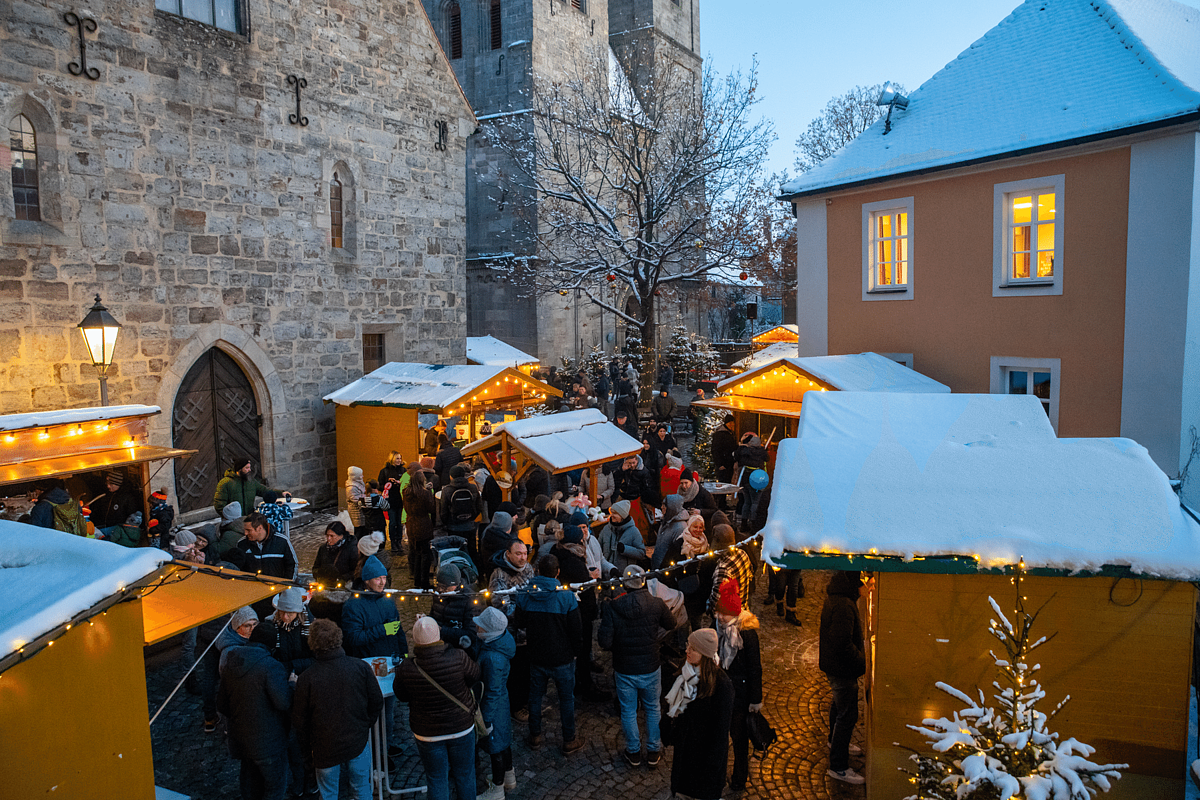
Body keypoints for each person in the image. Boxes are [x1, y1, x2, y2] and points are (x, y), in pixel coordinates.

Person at [292, 619, 383, 800]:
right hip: (357, 742)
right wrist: (364, 724)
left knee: (328, 794)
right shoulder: (360, 667)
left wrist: (307, 754)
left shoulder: (307, 679)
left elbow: (300, 722)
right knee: (361, 789)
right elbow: (376, 702)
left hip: (324, 749)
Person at [393, 616, 481, 800]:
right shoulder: (459, 657)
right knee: (465, 775)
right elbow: (474, 676)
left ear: (415, 639)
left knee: (436, 778)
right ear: (439, 635)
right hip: (461, 727)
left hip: (427, 733)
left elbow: (401, 695)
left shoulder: (406, 667)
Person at [598, 565, 677, 768]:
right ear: (643, 581)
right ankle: (653, 750)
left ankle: (633, 751)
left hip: (624, 668)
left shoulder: (613, 607)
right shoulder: (656, 604)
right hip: (650, 665)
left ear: (625, 584)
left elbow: (604, 642)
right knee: (653, 708)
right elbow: (671, 623)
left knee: (628, 710)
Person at [515, 555, 584, 754]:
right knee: (566, 700)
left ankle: (535, 736)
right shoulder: (567, 597)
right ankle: (569, 739)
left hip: (536, 656)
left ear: (537, 571)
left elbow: (519, 623)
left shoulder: (525, 594)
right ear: (558, 572)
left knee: (535, 698)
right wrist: (576, 652)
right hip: (562, 657)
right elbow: (576, 630)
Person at [217, 621, 293, 800]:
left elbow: (222, 704)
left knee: (250, 788)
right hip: (268, 744)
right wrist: (291, 684)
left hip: (241, 741)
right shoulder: (270, 666)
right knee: (274, 789)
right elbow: (283, 702)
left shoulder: (232, 659)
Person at [665, 629, 734, 800]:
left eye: (693, 648)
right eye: (688, 645)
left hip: (705, 761)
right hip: (686, 755)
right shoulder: (685, 671)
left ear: (705, 654)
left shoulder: (722, 686)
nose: (687, 650)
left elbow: (720, 734)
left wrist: (713, 768)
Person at [713, 579, 762, 791]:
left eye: (724, 613)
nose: (720, 617)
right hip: (721, 692)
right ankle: (717, 774)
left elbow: (754, 668)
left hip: (740, 696)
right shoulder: (716, 628)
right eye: (719, 612)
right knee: (719, 736)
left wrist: (755, 699)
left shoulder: (747, 634)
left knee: (740, 739)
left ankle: (739, 777)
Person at [820, 571, 867, 785]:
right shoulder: (844, 606)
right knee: (847, 715)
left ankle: (835, 741)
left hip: (835, 666)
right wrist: (861, 661)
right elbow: (842, 643)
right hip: (842, 669)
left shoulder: (837, 598)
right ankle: (838, 766)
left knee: (838, 707)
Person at [551, 523, 607, 702]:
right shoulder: (573, 560)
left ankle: (578, 681)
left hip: (568, 611)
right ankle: (584, 685)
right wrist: (590, 577)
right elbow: (582, 586)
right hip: (579, 612)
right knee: (581, 648)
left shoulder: (558, 552)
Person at [474, 606, 517, 796]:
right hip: (501, 705)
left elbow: (492, 691)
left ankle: (497, 790)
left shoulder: (493, 658)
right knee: (503, 743)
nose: (477, 628)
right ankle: (509, 777)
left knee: (495, 748)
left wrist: (486, 720)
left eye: (481, 626)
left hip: (493, 709)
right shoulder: (498, 643)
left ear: (489, 631)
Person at [235, 513, 297, 617]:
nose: (245, 533)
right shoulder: (242, 544)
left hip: (276, 595)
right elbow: (238, 569)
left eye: (249, 530)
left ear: (259, 528)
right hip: (252, 597)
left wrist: (286, 587)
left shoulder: (282, 541)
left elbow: (292, 564)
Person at [707, 524, 753, 618]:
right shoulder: (742, 553)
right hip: (743, 610)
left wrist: (709, 608)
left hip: (728, 618)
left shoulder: (723, 568)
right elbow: (750, 575)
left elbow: (717, 600)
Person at [403, 465, 438, 589]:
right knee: (425, 554)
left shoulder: (406, 492)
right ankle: (424, 582)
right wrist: (429, 493)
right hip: (423, 525)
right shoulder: (425, 494)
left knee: (416, 553)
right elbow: (431, 509)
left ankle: (417, 580)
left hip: (411, 524)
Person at [214, 457, 287, 516]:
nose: (249, 470)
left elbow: (264, 490)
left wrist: (281, 493)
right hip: (233, 521)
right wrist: (228, 516)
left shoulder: (251, 482)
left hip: (249, 519)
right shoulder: (225, 483)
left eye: (249, 467)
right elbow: (219, 504)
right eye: (246, 468)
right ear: (239, 469)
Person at [439, 463, 483, 558]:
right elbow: (479, 506)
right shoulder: (472, 487)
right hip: (470, 525)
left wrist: (447, 523)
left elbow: (443, 511)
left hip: (453, 526)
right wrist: (472, 518)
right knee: (471, 551)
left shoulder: (447, 490)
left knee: (456, 551)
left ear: (451, 476)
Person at [87, 470, 141, 538]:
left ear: (118, 484)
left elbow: (132, 518)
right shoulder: (106, 495)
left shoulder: (127, 498)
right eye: (107, 483)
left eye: (111, 484)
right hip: (103, 529)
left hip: (118, 533)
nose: (108, 486)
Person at [597, 500, 646, 573]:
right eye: (612, 512)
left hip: (625, 574)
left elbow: (641, 553)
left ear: (623, 516)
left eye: (615, 513)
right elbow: (598, 548)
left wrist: (625, 549)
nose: (612, 515)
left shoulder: (633, 531)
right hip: (607, 573)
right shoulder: (606, 529)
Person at [312, 521, 356, 588]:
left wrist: (343, 579)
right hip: (324, 585)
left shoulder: (351, 549)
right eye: (327, 535)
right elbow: (315, 567)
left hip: (343, 587)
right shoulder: (323, 549)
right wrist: (320, 573)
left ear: (341, 536)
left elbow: (356, 571)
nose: (329, 539)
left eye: (332, 536)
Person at [653, 494, 689, 570]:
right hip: (658, 567)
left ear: (672, 507)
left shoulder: (680, 527)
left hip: (666, 569)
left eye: (665, 505)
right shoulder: (666, 521)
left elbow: (676, 553)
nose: (662, 507)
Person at [479, 510, 516, 576]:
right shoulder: (507, 543)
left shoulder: (487, 536)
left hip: (490, 573)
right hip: (505, 577)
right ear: (509, 528)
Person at [711, 415, 738, 486]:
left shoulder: (731, 433)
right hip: (723, 464)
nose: (732, 425)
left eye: (732, 423)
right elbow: (715, 450)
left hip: (730, 463)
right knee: (723, 483)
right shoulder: (720, 434)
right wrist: (720, 464)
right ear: (726, 423)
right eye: (730, 423)